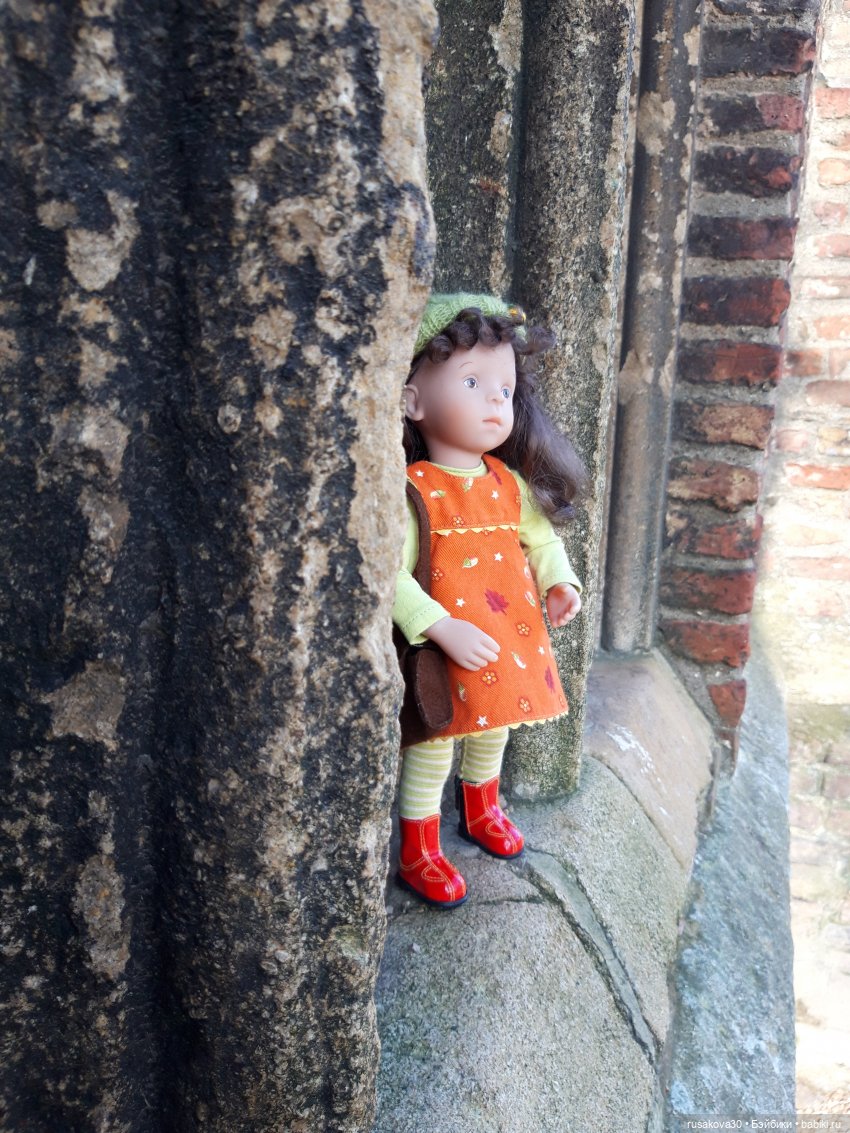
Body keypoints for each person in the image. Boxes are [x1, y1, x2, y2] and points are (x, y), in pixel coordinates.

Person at [392, 292, 587, 908]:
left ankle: (482, 808)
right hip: (449, 639)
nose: (495, 400)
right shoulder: (415, 490)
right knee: (435, 739)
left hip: (508, 635)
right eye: (473, 382)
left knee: (495, 724)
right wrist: (437, 625)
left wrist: (560, 582)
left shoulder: (508, 483)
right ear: (413, 401)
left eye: (505, 388)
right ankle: (419, 847)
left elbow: (540, 539)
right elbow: (389, 574)